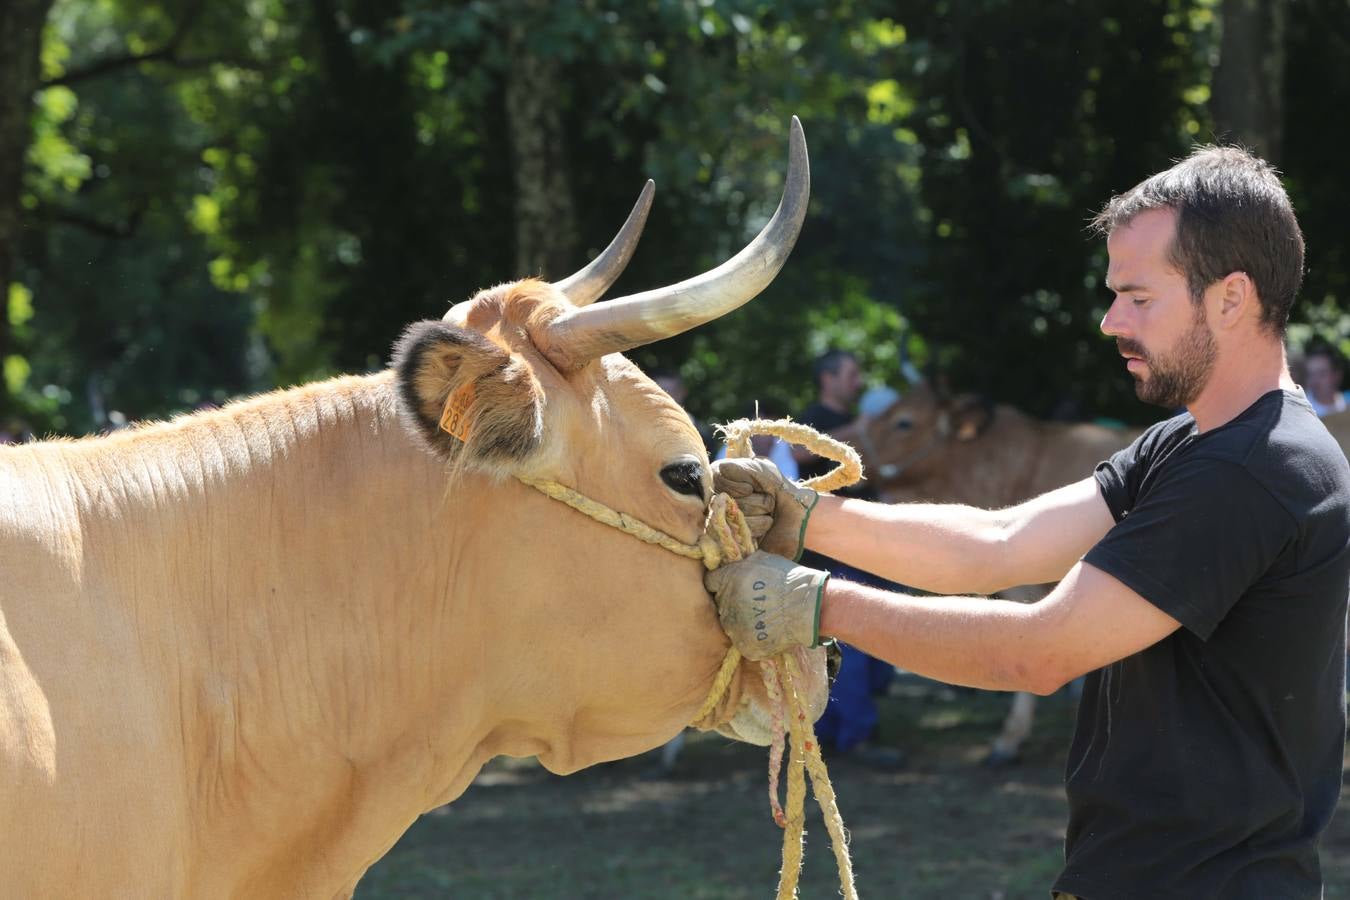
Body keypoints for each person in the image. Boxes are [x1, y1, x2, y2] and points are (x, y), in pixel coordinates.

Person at [704, 146, 1350, 899]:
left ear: (1231, 298)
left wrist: (815, 605)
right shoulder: (1195, 440)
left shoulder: (1253, 468)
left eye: (1139, 298)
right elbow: (1001, 543)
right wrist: (805, 517)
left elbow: (1039, 653)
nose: (1111, 321)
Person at [793, 350, 902, 767]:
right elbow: (793, 461)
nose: (858, 382)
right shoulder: (809, 420)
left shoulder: (862, 427)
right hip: (830, 553)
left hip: (869, 550)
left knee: (872, 647)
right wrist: (856, 431)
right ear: (828, 378)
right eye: (851, 374)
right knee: (851, 645)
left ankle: (835, 733)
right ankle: (850, 736)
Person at [1301, 340, 1347, 417]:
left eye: (1322, 374)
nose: (1315, 380)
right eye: (1310, 374)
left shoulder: (1346, 405)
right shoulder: (1301, 410)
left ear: (1337, 375)